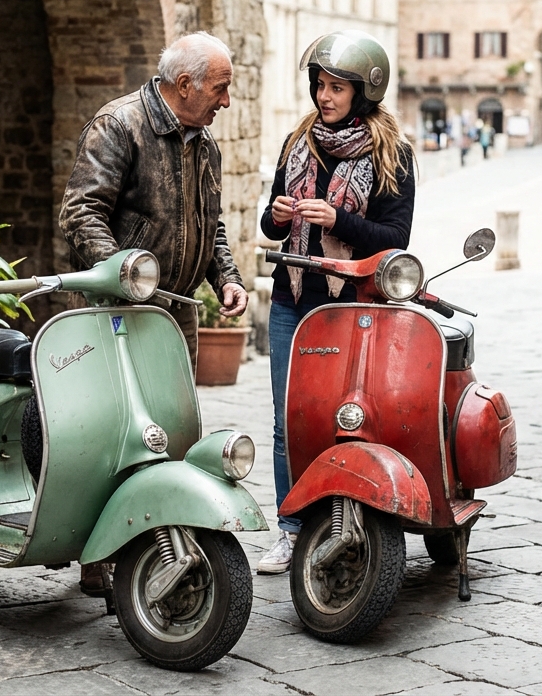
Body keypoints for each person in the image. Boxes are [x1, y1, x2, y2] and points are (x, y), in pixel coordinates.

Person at [59, 33, 250, 593]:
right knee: (113, 431)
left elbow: (209, 223)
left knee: (173, 427)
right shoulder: (118, 125)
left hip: (176, 313)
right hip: (117, 311)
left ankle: (163, 532)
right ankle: (99, 555)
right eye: (220, 88)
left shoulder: (204, 143)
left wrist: (228, 278)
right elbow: (81, 212)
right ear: (184, 84)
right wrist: (126, 274)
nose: (226, 102)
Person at [256, 30, 415, 574]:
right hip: (291, 299)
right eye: (320, 85)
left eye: (337, 88)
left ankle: (346, 520)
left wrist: (339, 220)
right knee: (287, 418)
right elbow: (268, 224)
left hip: (352, 307)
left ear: (363, 93)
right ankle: (290, 528)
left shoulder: (391, 153)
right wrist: (278, 217)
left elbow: (397, 237)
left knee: (346, 415)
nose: (325, 97)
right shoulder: (297, 143)